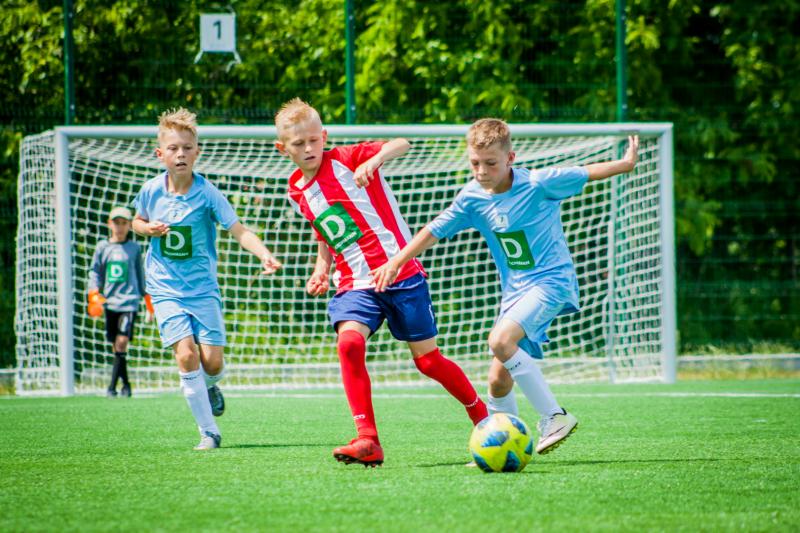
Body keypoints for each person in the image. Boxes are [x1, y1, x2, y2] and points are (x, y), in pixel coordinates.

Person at [372, 118, 639, 455]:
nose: (481, 171)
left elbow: (587, 172)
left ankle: (555, 416)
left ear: (510, 158)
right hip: (515, 293)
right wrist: (397, 261)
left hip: (552, 282)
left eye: (491, 163)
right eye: (474, 163)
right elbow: (433, 231)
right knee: (498, 382)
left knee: (499, 340)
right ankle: (502, 448)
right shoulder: (471, 198)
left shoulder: (538, 183)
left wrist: (626, 164)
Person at [275, 98, 488, 467]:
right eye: (298, 143)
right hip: (354, 283)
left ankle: (483, 416)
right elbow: (324, 228)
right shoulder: (296, 189)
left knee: (428, 362)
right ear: (283, 148)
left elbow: (402, 143)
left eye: (313, 140)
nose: (309, 148)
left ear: (324, 136)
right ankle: (368, 439)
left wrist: (374, 161)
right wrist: (321, 267)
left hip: (401, 274)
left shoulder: (346, 158)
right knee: (349, 343)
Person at [132, 107, 282, 450]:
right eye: (173, 148)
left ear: (197, 152)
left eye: (187, 148)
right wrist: (146, 228)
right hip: (164, 288)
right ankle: (209, 432)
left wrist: (264, 253)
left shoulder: (208, 194)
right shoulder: (151, 191)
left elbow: (239, 230)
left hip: (202, 290)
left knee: (212, 363)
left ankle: (210, 385)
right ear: (160, 154)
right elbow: (137, 220)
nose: (180, 154)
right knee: (186, 355)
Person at [88, 206, 154, 398]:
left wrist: (149, 304)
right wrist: (93, 295)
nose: (120, 227)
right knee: (116, 346)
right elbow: (95, 272)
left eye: (124, 223)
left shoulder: (134, 248)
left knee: (122, 342)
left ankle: (111, 387)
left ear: (129, 225)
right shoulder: (102, 248)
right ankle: (126, 385)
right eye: (116, 223)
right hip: (110, 303)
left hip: (129, 303)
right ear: (110, 224)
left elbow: (141, 276)